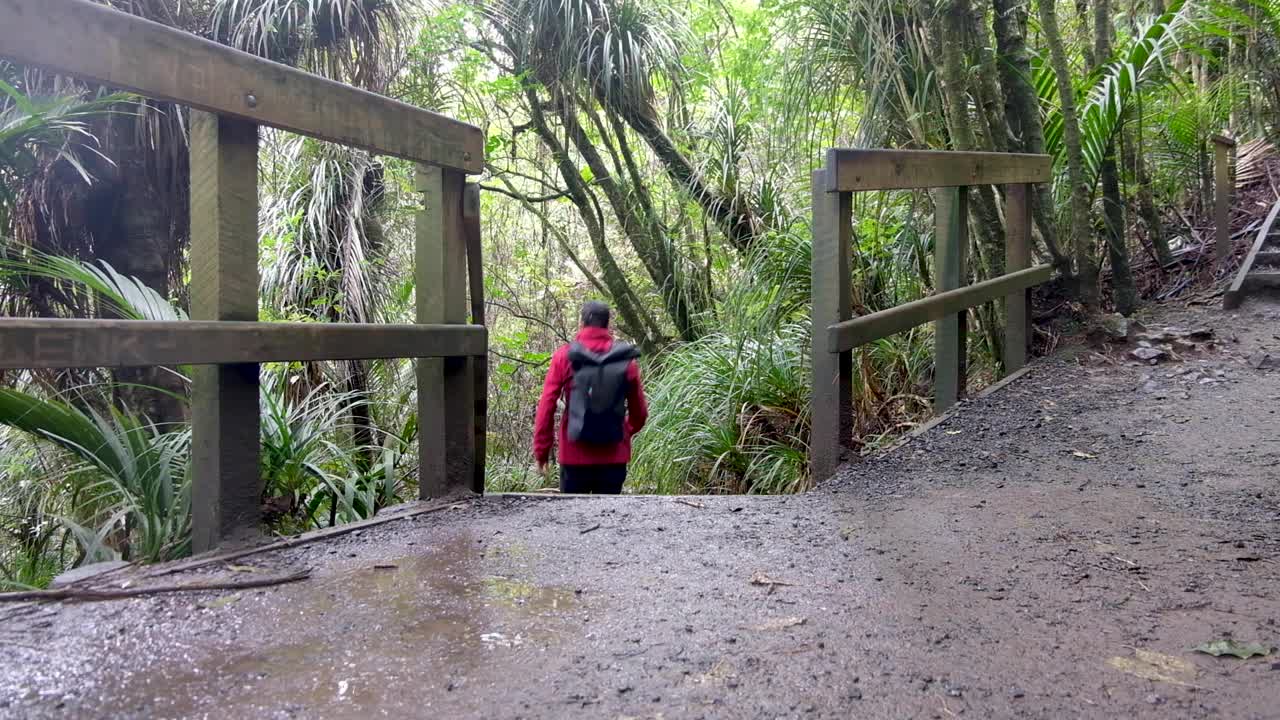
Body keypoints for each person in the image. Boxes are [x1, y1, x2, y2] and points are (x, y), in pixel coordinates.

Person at [533, 301, 648, 494]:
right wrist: (624, 431)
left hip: (574, 456)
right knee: (609, 519)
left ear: (581, 322)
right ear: (608, 324)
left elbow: (547, 404)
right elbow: (640, 413)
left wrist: (541, 450)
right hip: (614, 457)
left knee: (573, 520)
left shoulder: (565, 356)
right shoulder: (625, 360)